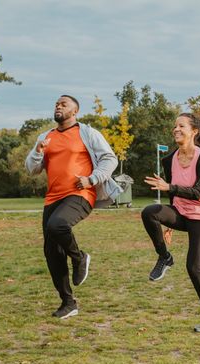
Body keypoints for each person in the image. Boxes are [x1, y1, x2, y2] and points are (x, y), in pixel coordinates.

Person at [25, 95, 121, 319]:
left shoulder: (87, 133)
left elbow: (110, 158)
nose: (58, 106)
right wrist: (38, 151)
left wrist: (92, 179)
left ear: (75, 111)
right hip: (53, 199)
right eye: (56, 103)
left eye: (64, 104)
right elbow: (31, 170)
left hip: (80, 193)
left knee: (58, 225)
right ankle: (68, 303)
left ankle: (79, 257)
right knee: (51, 252)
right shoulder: (45, 136)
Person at [142, 113, 200, 333]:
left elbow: (198, 192)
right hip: (181, 212)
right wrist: (169, 222)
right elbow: (174, 196)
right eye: (174, 126)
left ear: (194, 131)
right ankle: (165, 257)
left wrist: (169, 187)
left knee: (193, 267)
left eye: (181, 126)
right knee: (149, 212)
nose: (176, 129)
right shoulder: (169, 159)